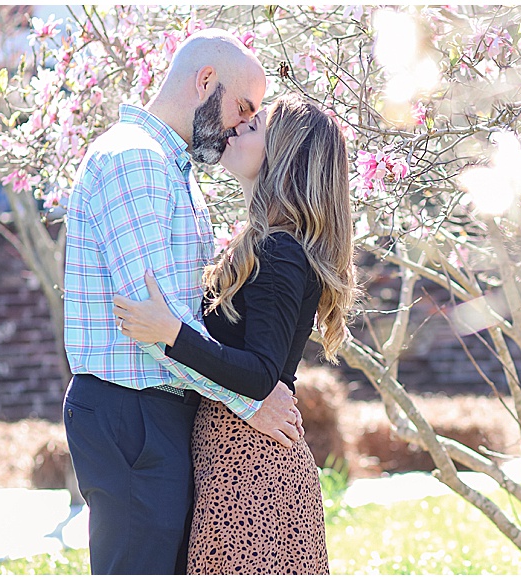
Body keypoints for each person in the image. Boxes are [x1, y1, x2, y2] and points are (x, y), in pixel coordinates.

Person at [62, 29, 303, 575]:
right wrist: (252, 401)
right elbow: (153, 321)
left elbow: (176, 321)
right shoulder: (136, 161)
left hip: (154, 413)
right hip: (135, 413)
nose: (243, 124)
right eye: (242, 107)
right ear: (205, 82)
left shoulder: (171, 169)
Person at [113, 94, 357, 574]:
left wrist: (171, 332)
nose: (239, 125)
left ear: (284, 152)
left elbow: (262, 373)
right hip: (238, 464)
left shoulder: (280, 251)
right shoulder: (263, 245)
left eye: (255, 123)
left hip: (252, 472)